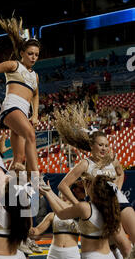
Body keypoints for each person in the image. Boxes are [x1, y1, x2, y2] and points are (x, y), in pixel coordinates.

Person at [54, 106, 135, 247]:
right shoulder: (85, 164)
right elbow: (62, 185)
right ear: (92, 146)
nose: (104, 148)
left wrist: (118, 188)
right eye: (101, 145)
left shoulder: (113, 159)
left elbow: (121, 173)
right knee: (122, 245)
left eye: (106, 145)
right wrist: (78, 204)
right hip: (100, 207)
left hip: (119, 201)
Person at [0, 15, 40, 176]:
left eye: (36, 54)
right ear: (22, 53)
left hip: (24, 110)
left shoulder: (35, 75)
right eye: (30, 53)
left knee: (18, 159)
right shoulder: (14, 65)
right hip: (12, 107)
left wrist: (35, 114)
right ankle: (36, 178)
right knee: (30, 135)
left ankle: (10, 192)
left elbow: (36, 95)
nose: (33, 57)